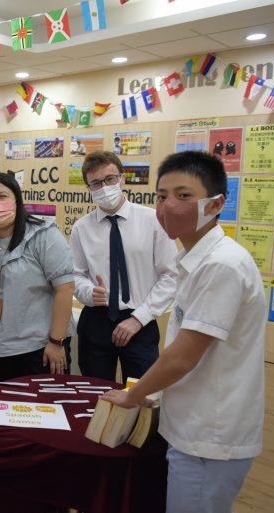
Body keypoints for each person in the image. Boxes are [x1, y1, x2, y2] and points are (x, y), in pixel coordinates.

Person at [103, 151, 265, 513]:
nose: (168, 206)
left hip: (210, 434)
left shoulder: (221, 265)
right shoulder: (196, 259)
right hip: (192, 425)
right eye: (161, 196)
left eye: (184, 195)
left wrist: (134, 394)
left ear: (216, 203)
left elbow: (183, 355)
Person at [70, 151, 177, 383]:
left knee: (142, 396)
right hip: (96, 321)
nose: (104, 186)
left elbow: (171, 276)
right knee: (95, 393)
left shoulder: (154, 221)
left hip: (140, 321)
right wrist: (89, 292)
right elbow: (76, 275)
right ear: (89, 188)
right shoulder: (81, 228)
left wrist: (139, 318)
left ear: (122, 179)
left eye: (109, 179)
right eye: (96, 183)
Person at [0, 172, 74, 383]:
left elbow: (65, 289)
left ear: (17, 200)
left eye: (2, 196)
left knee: (42, 412)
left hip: (39, 349)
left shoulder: (44, 235)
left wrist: (56, 342)